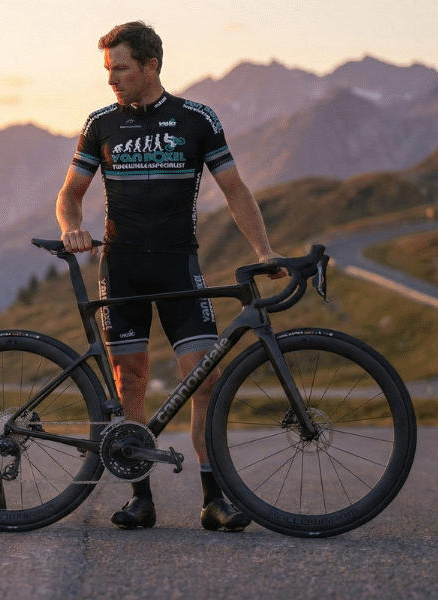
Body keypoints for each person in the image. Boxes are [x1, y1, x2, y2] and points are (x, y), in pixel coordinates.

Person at [55, 21, 283, 532]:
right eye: (108, 69)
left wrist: (264, 250)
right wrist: (71, 229)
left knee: (205, 378)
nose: (111, 79)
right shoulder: (100, 124)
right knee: (130, 381)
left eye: (121, 69)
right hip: (122, 267)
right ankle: (141, 498)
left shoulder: (196, 119)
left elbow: (235, 190)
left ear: (151, 65)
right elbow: (70, 194)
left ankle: (213, 499)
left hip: (179, 265)